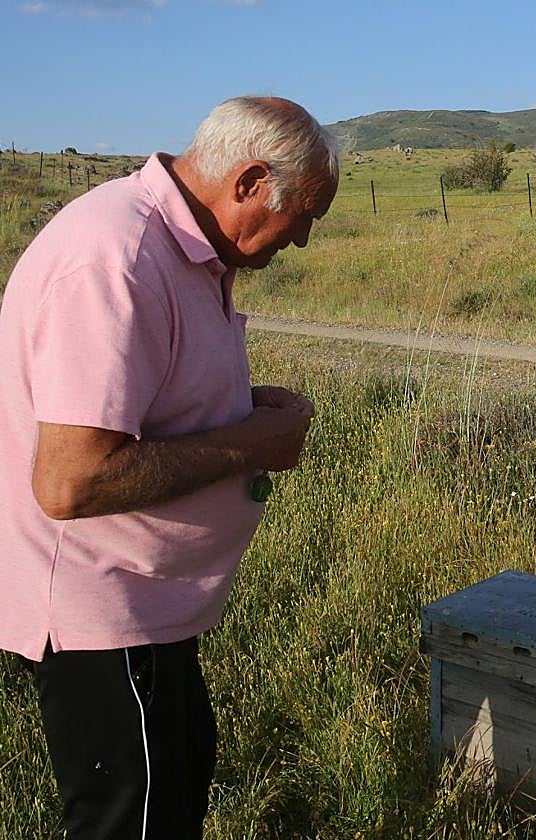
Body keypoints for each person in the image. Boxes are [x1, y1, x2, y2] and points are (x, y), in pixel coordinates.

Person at [0, 95, 338, 839]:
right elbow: (71, 480)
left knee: (173, 797)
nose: (305, 240)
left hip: (146, 609)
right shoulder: (113, 260)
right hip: (103, 615)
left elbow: (134, 399)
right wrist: (253, 443)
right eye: (304, 215)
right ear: (249, 182)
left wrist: (241, 406)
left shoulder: (182, 250)